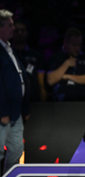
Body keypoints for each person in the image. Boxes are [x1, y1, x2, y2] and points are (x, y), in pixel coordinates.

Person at [0, 10, 29, 176]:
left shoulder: (8, 48)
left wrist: (25, 109)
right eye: (10, 25)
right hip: (3, 113)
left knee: (17, 149)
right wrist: (2, 110)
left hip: (15, 111)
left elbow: (21, 79)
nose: (14, 28)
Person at [46, 27, 85, 101]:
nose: (77, 48)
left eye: (79, 45)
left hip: (83, 99)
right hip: (62, 100)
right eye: (74, 45)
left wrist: (67, 76)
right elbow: (50, 80)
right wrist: (66, 64)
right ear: (65, 43)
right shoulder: (56, 58)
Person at [12, 20, 47, 101]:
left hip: (33, 101)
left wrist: (43, 103)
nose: (19, 32)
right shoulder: (5, 54)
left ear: (27, 33)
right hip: (11, 101)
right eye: (16, 30)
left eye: (22, 30)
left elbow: (41, 84)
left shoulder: (36, 55)